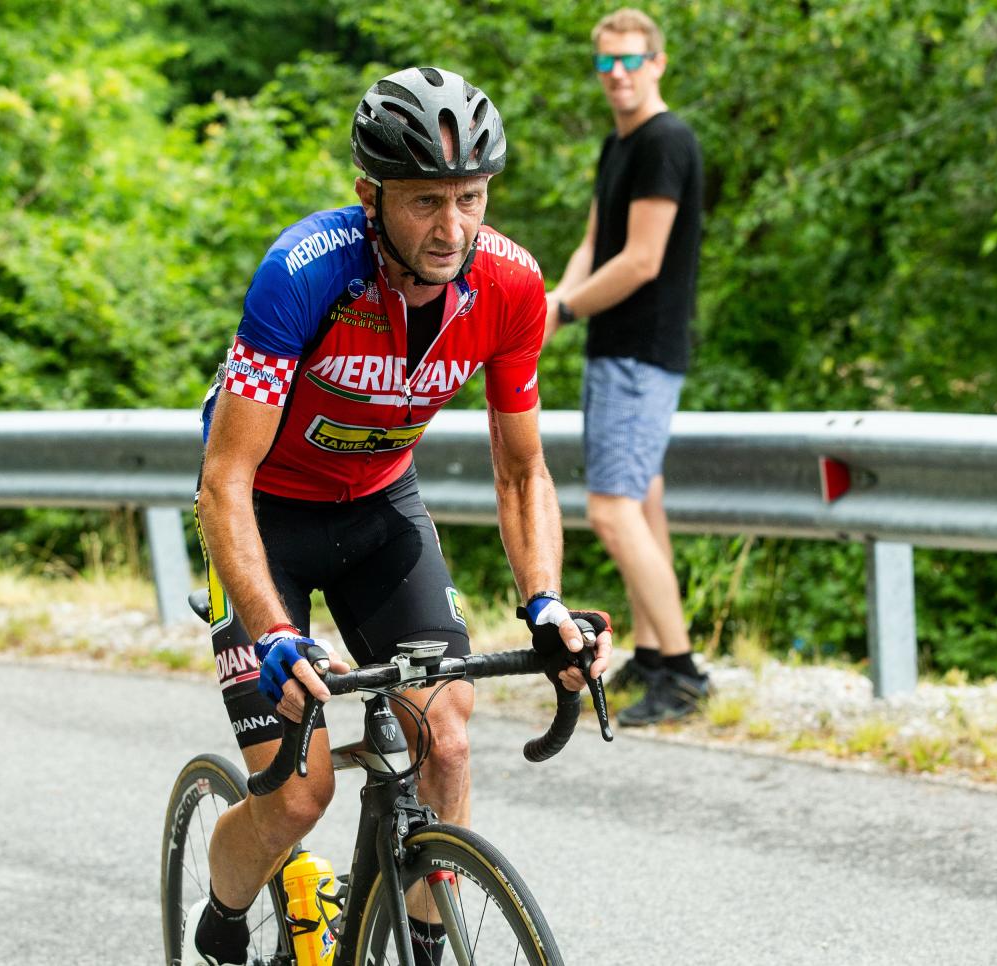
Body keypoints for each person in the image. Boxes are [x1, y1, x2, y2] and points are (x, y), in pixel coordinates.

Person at [187, 67, 613, 966]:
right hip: (267, 517)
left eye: (470, 198)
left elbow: (522, 471)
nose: (452, 227)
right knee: (297, 796)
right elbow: (224, 483)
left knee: (446, 742)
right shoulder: (303, 272)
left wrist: (545, 603)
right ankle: (223, 916)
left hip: (380, 508)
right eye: (426, 201)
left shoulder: (511, 286)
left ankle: (422, 947)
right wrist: (274, 632)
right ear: (369, 196)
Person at [543, 8, 708, 727]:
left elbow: (641, 260)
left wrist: (566, 309)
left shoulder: (665, 141)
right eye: (607, 63)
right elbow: (595, 243)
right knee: (642, 504)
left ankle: (682, 673)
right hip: (619, 349)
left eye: (632, 60)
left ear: (657, 63)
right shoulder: (621, 144)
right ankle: (656, 650)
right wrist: (554, 303)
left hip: (640, 353)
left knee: (611, 510)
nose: (618, 75)